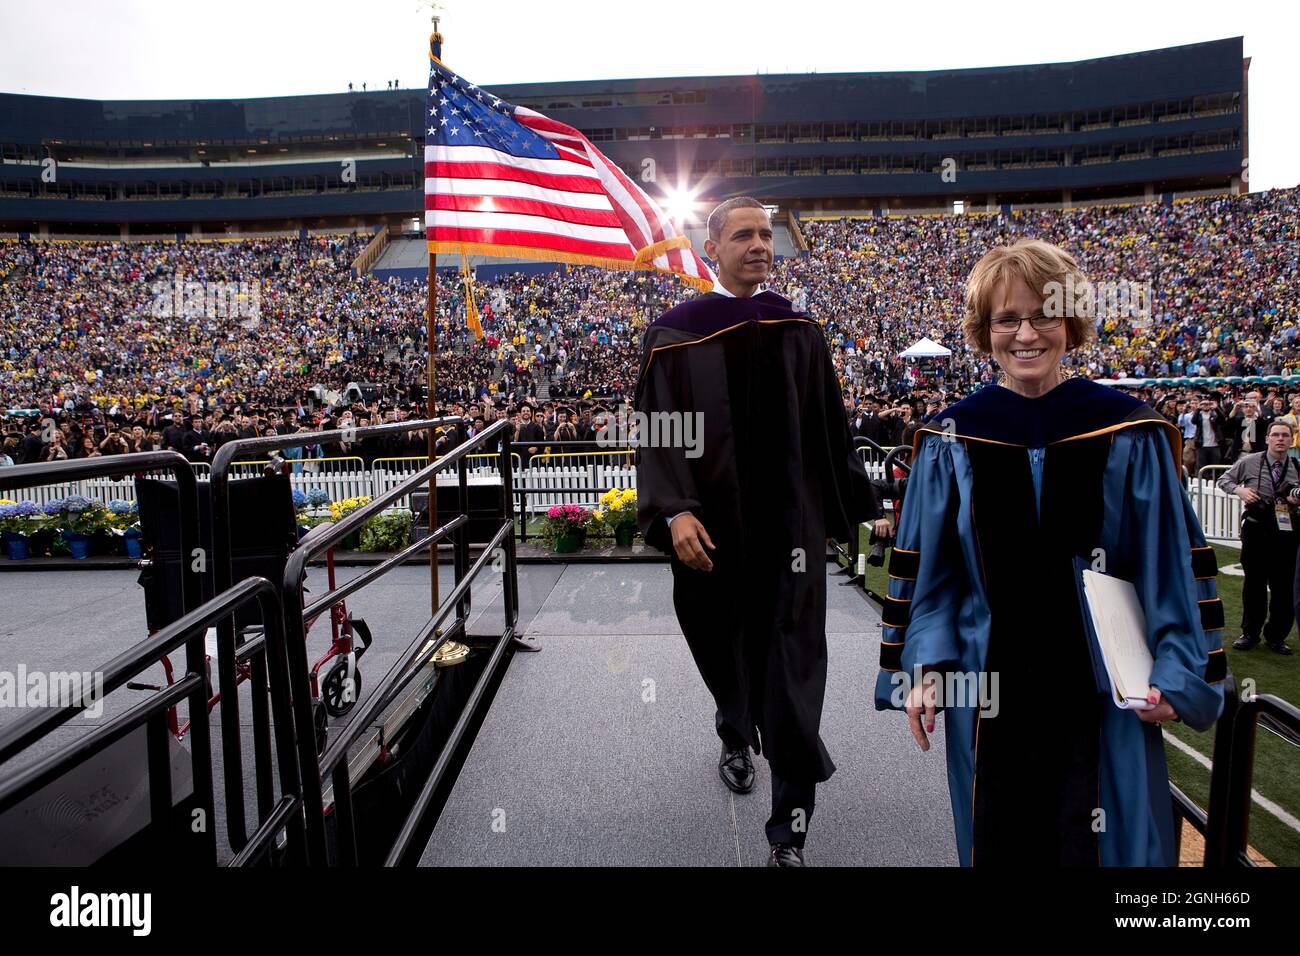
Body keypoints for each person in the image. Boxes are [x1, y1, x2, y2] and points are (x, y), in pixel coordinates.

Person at [874, 239, 1225, 867]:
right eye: (1007, 319)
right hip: (986, 687)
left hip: (1103, 690)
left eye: (1044, 315)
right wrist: (923, 667)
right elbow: (932, 578)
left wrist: (1177, 672)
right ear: (986, 331)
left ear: (1072, 324)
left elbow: (1169, 566)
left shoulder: (1127, 431)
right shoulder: (951, 438)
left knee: (1116, 850)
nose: (1026, 334)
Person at [636, 197, 878, 867]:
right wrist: (675, 508)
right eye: (743, 234)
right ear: (711, 247)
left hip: (790, 534)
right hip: (709, 536)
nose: (759, 245)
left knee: (795, 669)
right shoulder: (679, 333)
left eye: (766, 234)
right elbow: (661, 431)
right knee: (722, 648)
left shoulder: (798, 329)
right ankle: (735, 729)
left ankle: (789, 833)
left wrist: (859, 506)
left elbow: (830, 427)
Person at [1217, 420, 1299, 655]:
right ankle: (1250, 633)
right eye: (1276, 435)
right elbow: (1224, 480)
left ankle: (1277, 636)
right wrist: (1240, 490)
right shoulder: (1250, 461)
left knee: (1283, 587)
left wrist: (1294, 500)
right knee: (1254, 584)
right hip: (1256, 529)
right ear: (1268, 438)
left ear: (1292, 439)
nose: (1280, 439)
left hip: (1287, 532)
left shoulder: (1296, 465)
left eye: (1285, 435)